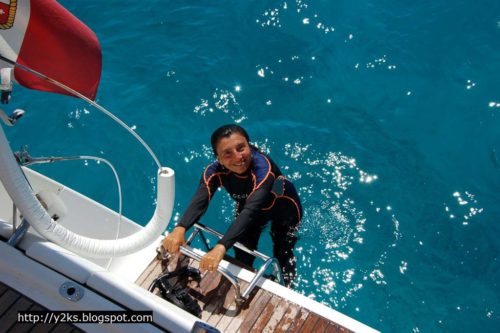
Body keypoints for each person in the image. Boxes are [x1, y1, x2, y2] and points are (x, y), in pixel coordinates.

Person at [162, 124, 302, 287]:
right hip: (250, 209)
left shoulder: (264, 169)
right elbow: (201, 199)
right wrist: (180, 228)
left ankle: (288, 288)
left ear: (249, 145)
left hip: (285, 211)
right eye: (227, 153)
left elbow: (249, 212)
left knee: (282, 253)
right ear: (218, 158)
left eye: (241, 148)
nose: (238, 157)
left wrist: (221, 246)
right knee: (242, 256)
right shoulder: (214, 172)